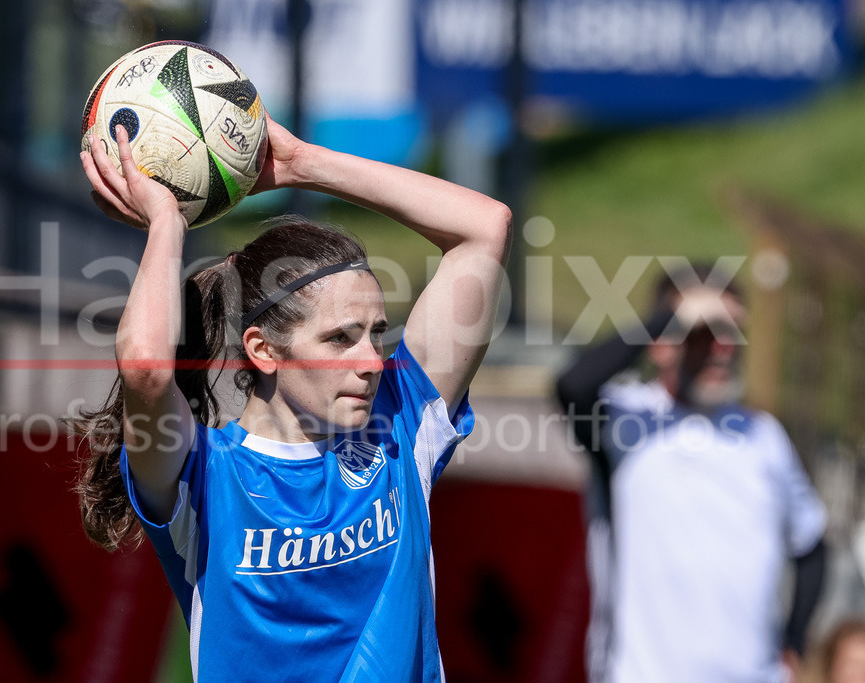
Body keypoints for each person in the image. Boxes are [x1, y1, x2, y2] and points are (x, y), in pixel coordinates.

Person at [73, 116, 512, 681]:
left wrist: (302, 164)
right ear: (262, 349)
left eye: (376, 332)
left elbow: (485, 226)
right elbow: (146, 369)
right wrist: (167, 223)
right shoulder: (205, 473)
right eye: (339, 338)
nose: (372, 360)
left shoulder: (403, 422)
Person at [555, 265, 828, 682]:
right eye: (705, 332)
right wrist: (673, 316)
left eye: (731, 332)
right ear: (661, 345)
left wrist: (795, 642)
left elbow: (810, 543)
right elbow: (572, 384)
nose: (722, 348)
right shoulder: (626, 419)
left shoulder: (764, 436)